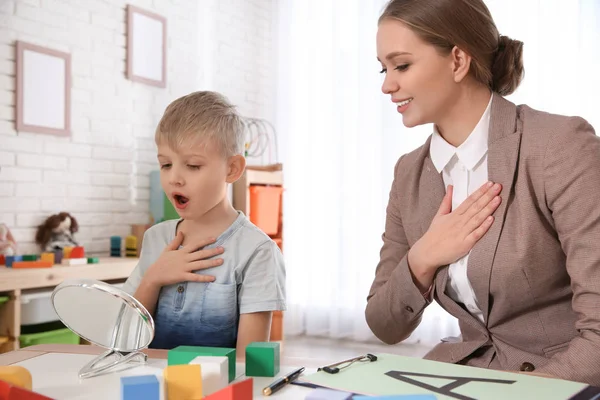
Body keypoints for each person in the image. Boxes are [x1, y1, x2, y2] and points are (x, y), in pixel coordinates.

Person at [365, 0, 600, 385]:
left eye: (401, 65)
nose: (387, 84)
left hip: (560, 382)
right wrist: (423, 257)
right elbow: (384, 324)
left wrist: (516, 396)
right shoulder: (409, 173)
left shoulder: (559, 147)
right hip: (466, 378)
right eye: (383, 68)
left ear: (458, 61)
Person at [122, 91, 286, 356]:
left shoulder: (257, 251)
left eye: (193, 166)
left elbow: (250, 364)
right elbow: (124, 340)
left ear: (232, 169)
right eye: (165, 164)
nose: (174, 178)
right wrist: (153, 278)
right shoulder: (155, 238)